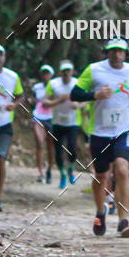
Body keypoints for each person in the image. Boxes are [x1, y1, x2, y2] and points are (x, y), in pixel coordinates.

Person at [68, 37, 129, 237]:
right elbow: (74, 94)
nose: (116, 55)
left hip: (125, 128)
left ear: (126, 53)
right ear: (107, 52)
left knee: (122, 168)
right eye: (113, 51)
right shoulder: (94, 70)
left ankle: (124, 221)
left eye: (120, 51)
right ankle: (100, 212)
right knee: (101, 175)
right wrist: (94, 95)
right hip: (100, 131)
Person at [0, 44, 24, 212]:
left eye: (0, 54)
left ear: (5, 57)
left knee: (0, 159)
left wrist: (14, 105)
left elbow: (21, 96)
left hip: (4, 125)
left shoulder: (12, 76)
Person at [43, 60, 79, 189]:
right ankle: (63, 174)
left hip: (73, 122)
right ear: (60, 72)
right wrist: (58, 101)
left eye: (69, 70)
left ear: (72, 71)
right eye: (64, 70)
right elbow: (44, 102)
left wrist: (78, 105)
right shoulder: (53, 84)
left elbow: (87, 101)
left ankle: (71, 168)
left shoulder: (77, 83)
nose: (66, 73)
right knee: (58, 152)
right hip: (57, 122)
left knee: (72, 148)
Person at [31, 63, 54, 183]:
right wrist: (32, 101)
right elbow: (32, 100)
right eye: (43, 73)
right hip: (38, 117)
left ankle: (49, 170)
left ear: (51, 75)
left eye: (47, 73)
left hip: (52, 118)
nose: (45, 75)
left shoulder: (56, 86)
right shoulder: (36, 87)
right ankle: (39, 172)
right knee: (39, 143)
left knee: (50, 146)